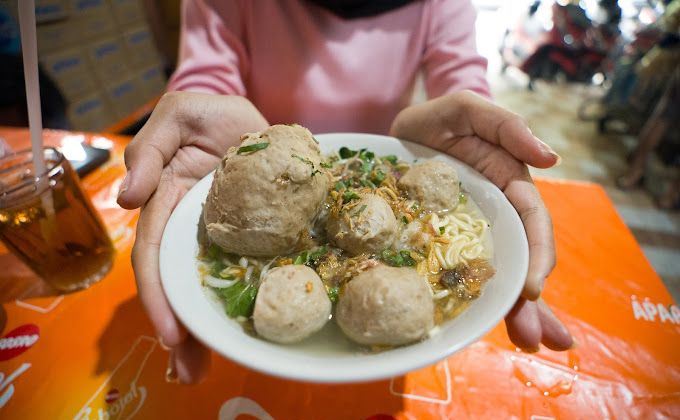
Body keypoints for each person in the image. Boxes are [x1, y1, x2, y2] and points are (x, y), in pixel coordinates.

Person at [117, 0, 574, 384]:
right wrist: (200, 116)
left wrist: (472, 120)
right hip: (251, 175)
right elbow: (209, 68)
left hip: (389, 156)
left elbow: (460, 77)